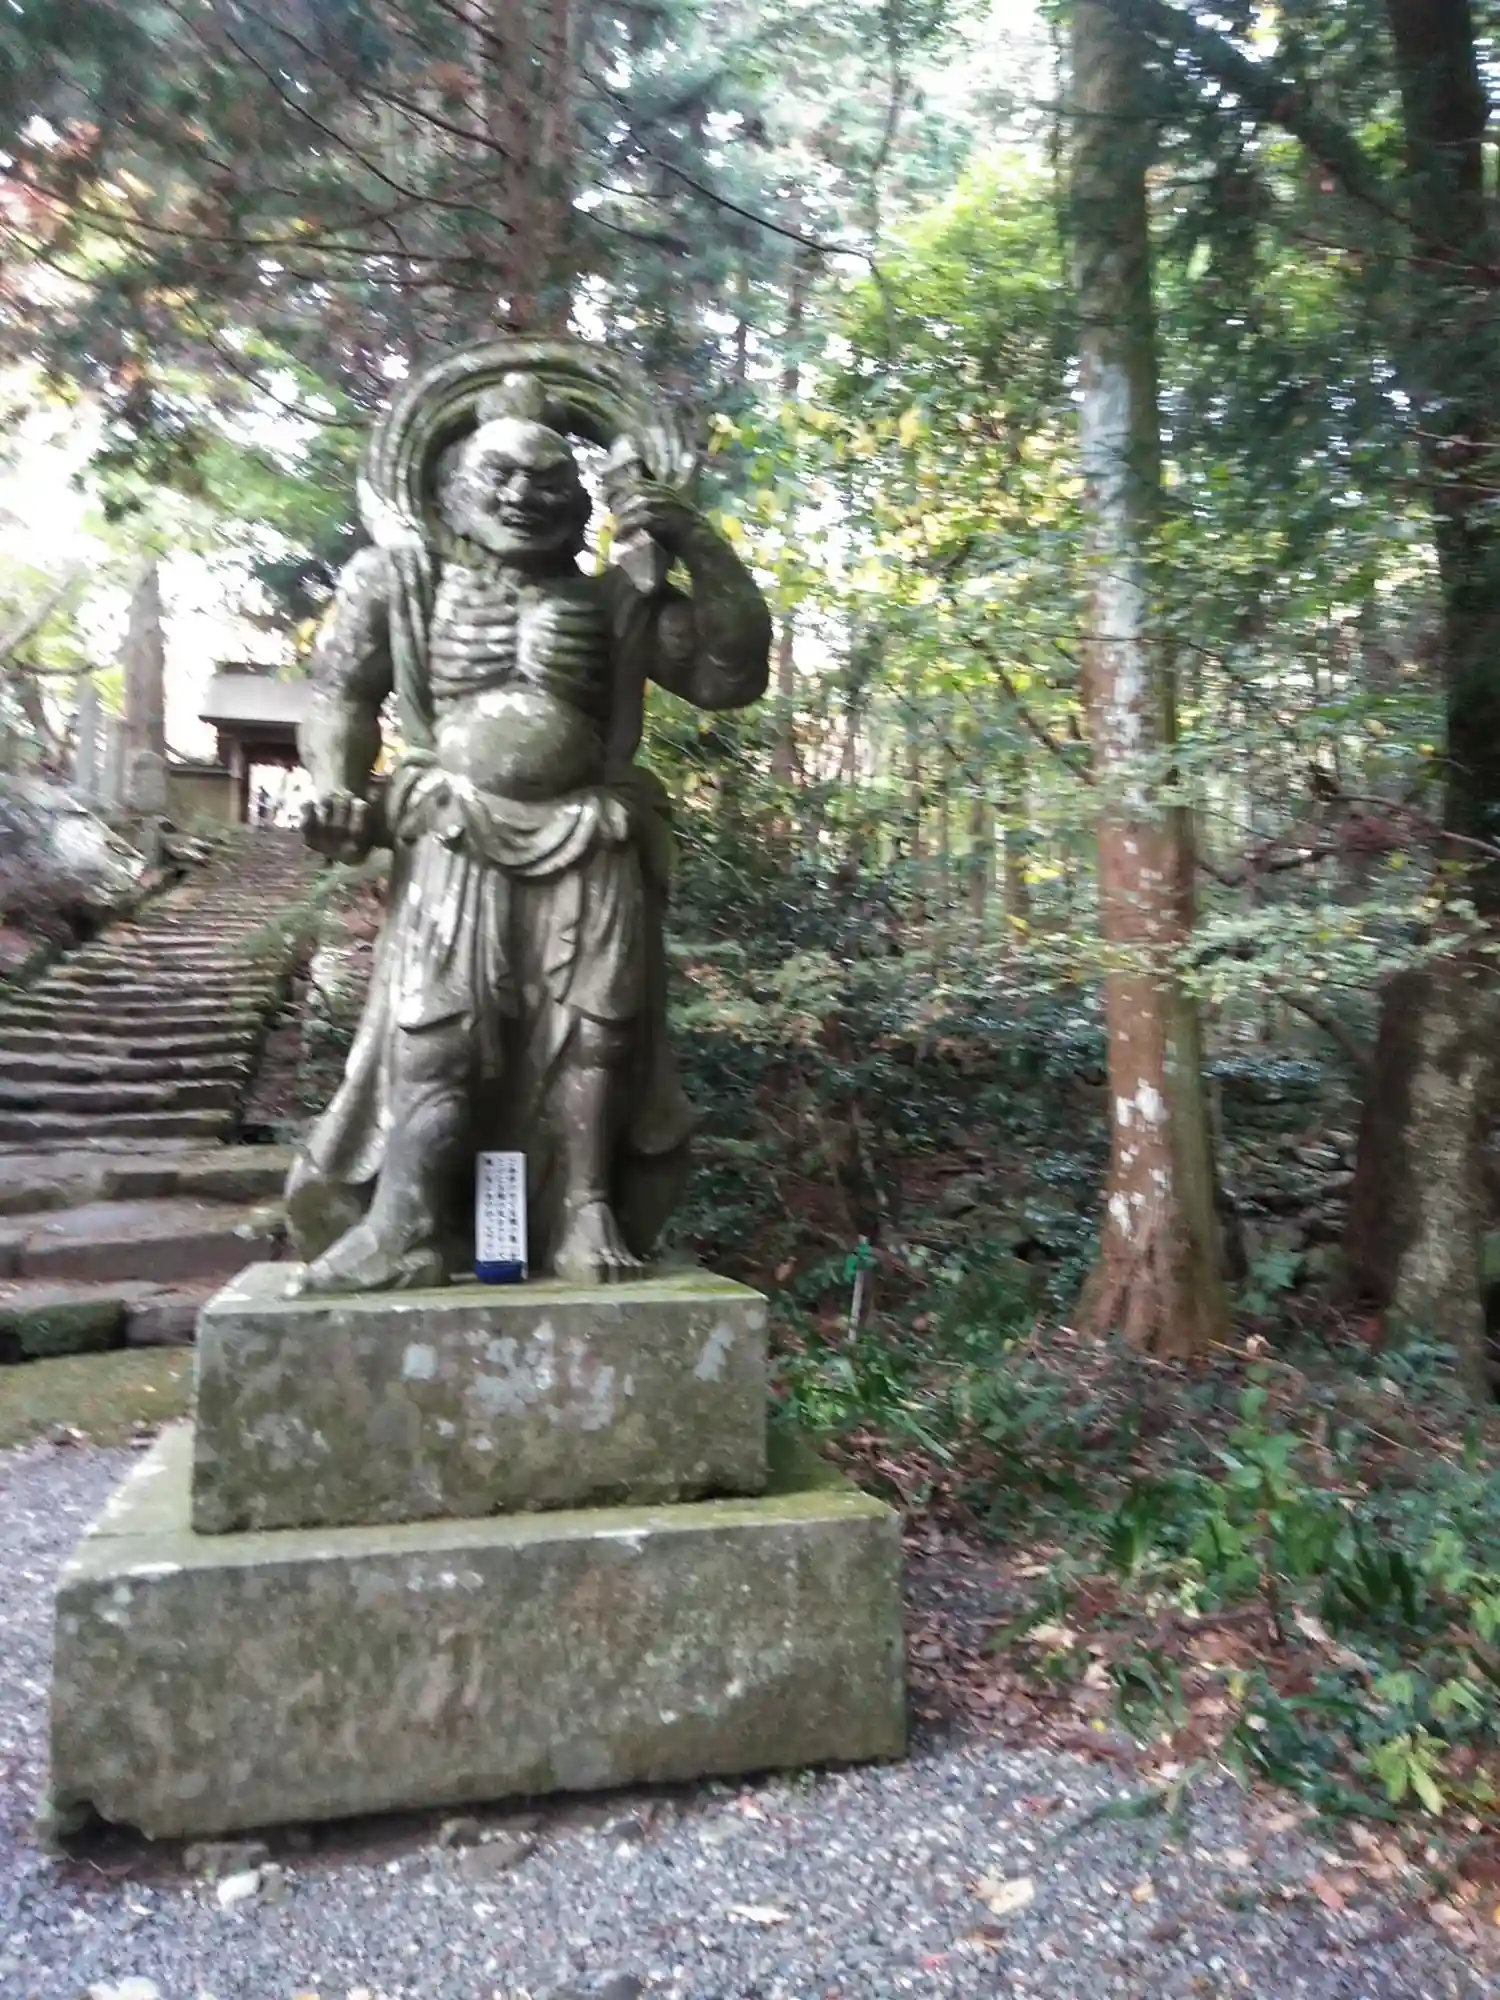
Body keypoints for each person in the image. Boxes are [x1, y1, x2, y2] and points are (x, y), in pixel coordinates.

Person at [284, 370, 770, 1293]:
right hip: (453, 824)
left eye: (549, 483)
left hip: (591, 830)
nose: (523, 497)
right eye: (499, 477)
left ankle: (587, 1210)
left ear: (581, 504)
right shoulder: (402, 579)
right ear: (450, 491)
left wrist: (693, 539)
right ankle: (407, 1220)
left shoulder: (615, 601)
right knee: (437, 1026)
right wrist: (336, 787)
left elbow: (729, 674)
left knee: (598, 1031)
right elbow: (341, 695)